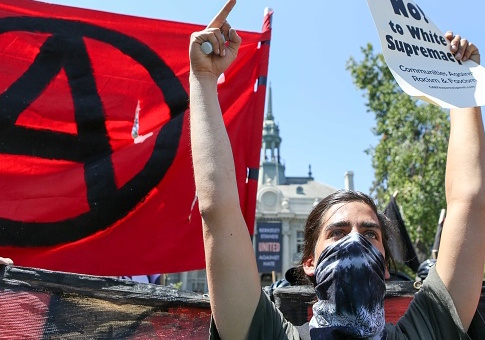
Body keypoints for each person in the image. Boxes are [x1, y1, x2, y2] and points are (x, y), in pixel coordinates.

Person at [189, 1, 485, 338]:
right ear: (310, 263)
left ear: (386, 266)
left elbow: (469, 202)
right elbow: (217, 209)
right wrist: (203, 79)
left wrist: (462, 86)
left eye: (371, 234)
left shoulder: (425, 331)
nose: (356, 240)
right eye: (338, 233)